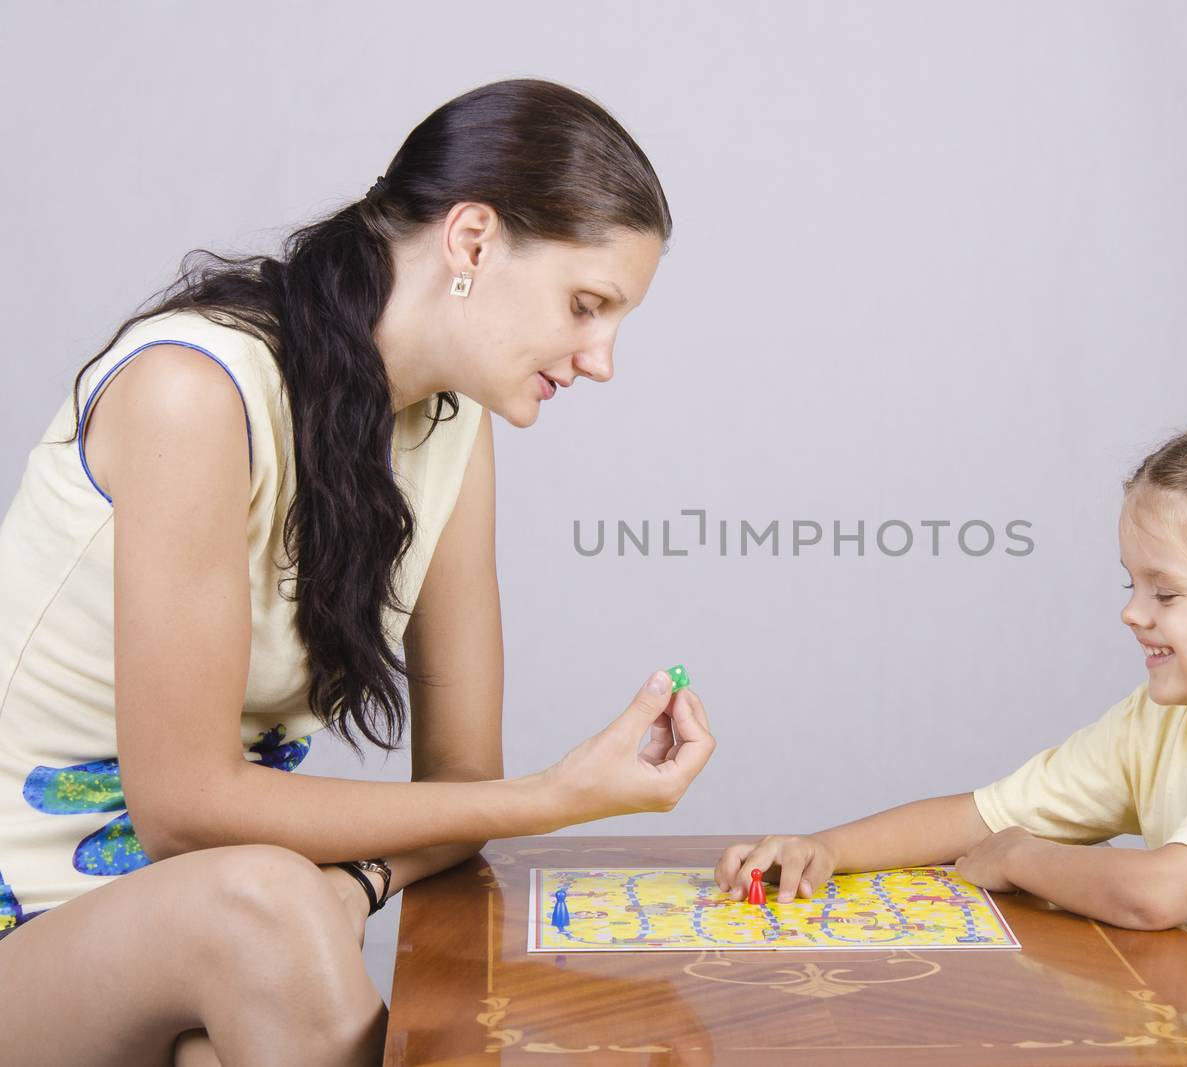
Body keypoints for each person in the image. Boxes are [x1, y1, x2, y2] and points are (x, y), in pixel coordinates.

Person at [0, 78, 715, 1066]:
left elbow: (460, 782)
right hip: (32, 932)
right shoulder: (192, 393)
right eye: (586, 305)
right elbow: (186, 806)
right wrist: (556, 794)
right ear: (470, 240)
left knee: (254, 978)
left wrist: (362, 882)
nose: (601, 359)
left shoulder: (450, 432)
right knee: (268, 901)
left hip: (204, 938)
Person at [717, 413, 1187, 1067]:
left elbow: (1157, 893)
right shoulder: (1163, 718)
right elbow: (979, 816)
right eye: (1131, 583)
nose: (1131, 611)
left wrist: (1024, 856)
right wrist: (828, 849)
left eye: (1165, 593)